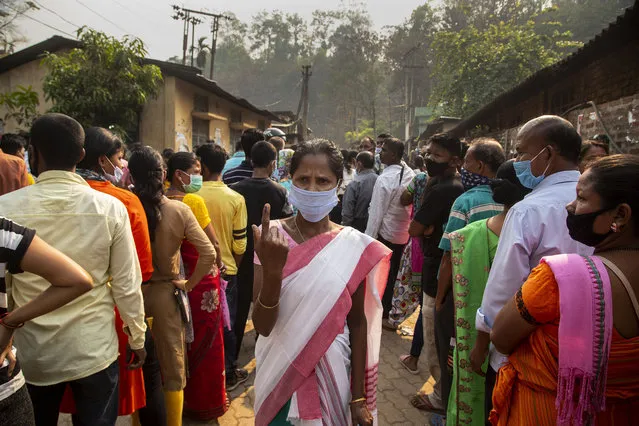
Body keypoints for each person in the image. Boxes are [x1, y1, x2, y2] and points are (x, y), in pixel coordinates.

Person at [0, 113, 147, 426]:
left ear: (32, 152)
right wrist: (137, 338)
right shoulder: (111, 208)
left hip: (34, 353)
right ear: (82, 155)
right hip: (93, 349)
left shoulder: (6, 208)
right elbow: (126, 284)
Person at [490, 154, 639, 425]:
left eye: (581, 199)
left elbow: (500, 337)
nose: (570, 207)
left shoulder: (560, 278)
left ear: (620, 214)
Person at [251, 139, 391, 426]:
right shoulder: (271, 238)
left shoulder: (352, 245)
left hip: (334, 375)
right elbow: (263, 326)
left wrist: (358, 397)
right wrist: (274, 272)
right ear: (291, 181)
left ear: (338, 184)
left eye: (322, 180)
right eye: (303, 179)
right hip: (280, 376)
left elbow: (357, 323)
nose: (312, 188)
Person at [472, 115, 593, 418]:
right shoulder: (597, 201)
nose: (517, 162)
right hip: (587, 346)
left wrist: (483, 342)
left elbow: (503, 289)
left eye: (522, 154)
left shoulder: (528, 210)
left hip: (528, 349)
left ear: (548, 154)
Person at [72, 127, 165, 425]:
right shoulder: (123, 201)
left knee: (75, 401)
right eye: (119, 158)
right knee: (143, 382)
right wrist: (137, 330)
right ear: (102, 161)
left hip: (57, 315)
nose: (122, 165)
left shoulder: (50, 197)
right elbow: (140, 273)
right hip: (111, 316)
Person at [128, 146, 216, 426]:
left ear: (130, 174)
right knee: (173, 369)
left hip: (130, 295)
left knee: (135, 367)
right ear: (164, 174)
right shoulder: (179, 209)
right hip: (167, 295)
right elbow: (209, 253)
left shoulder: (124, 207)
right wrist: (188, 284)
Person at [445, 160, 531, 425]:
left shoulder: (469, 235)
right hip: (523, 341)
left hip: (477, 335)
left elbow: (449, 270)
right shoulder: (529, 234)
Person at [432, 138, 505, 412]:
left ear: (480, 166)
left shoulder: (466, 201)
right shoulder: (512, 201)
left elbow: (449, 256)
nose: (462, 168)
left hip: (464, 294)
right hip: (498, 293)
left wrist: (440, 299)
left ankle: (451, 408)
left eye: (466, 163)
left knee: (454, 354)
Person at [0, 217, 93, 426]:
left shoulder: (7, 206)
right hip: (6, 387)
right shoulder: (4, 231)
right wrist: (9, 322)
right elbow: (79, 281)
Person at [164, 152, 227, 420]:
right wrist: (221, 263)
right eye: (195, 170)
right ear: (179, 175)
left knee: (178, 344)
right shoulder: (192, 201)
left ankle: (181, 401)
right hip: (199, 282)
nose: (199, 175)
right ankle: (205, 403)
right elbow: (212, 246)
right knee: (207, 341)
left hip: (170, 282)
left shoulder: (159, 200)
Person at [408, 133, 465, 415]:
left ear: (455, 160)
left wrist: (428, 229)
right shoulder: (444, 183)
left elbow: (415, 228)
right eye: (428, 153)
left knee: (434, 335)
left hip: (437, 271)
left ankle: (441, 397)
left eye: (437, 155)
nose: (430, 159)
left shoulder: (445, 188)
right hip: (441, 265)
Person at [195, 143, 249, 391]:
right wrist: (233, 266)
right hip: (227, 272)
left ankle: (200, 374)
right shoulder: (236, 198)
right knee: (227, 323)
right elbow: (240, 244)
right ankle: (227, 372)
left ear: (202, 167)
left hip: (195, 273)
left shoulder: (190, 197)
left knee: (198, 327)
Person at [232, 141, 292, 364]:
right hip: (266, 259)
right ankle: (264, 352)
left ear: (250, 161)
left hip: (240, 257)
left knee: (239, 311)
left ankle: (232, 359)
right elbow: (286, 225)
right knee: (263, 302)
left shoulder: (235, 189)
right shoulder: (280, 191)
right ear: (272, 163)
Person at [366, 137, 416, 322]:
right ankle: (387, 309)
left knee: (382, 275)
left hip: (385, 235)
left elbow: (377, 213)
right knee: (394, 275)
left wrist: (369, 240)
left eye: (384, 150)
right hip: (402, 235)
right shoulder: (409, 173)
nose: (380, 153)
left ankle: (379, 309)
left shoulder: (385, 178)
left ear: (393, 154)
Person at [395, 169, 429, 374]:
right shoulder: (460, 183)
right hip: (448, 252)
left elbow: (403, 199)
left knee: (415, 294)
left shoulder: (420, 179)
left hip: (419, 245)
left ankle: (414, 356)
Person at [342, 151, 378, 232]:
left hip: (357, 226)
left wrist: (345, 228)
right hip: (375, 225)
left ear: (359, 164)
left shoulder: (355, 183)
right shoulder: (380, 180)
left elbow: (348, 210)